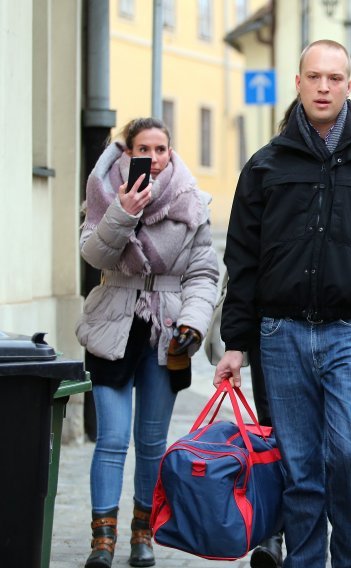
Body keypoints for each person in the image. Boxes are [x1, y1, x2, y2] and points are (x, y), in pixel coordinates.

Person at [213, 39, 351, 568]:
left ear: (348, 85)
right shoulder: (266, 164)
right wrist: (235, 343)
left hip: (350, 330)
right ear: (297, 83)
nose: (323, 87)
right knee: (299, 467)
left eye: (333, 78)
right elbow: (242, 258)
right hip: (281, 334)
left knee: (349, 455)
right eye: (313, 77)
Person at [76, 117, 219, 568]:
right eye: (144, 149)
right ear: (127, 154)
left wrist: (193, 322)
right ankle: (102, 541)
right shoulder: (104, 195)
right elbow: (94, 254)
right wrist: (123, 211)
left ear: (172, 153)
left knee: (152, 442)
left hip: (168, 333)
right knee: (113, 439)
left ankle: (143, 533)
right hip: (113, 324)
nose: (153, 159)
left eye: (161, 149)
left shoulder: (191, 202)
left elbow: (204, 274)